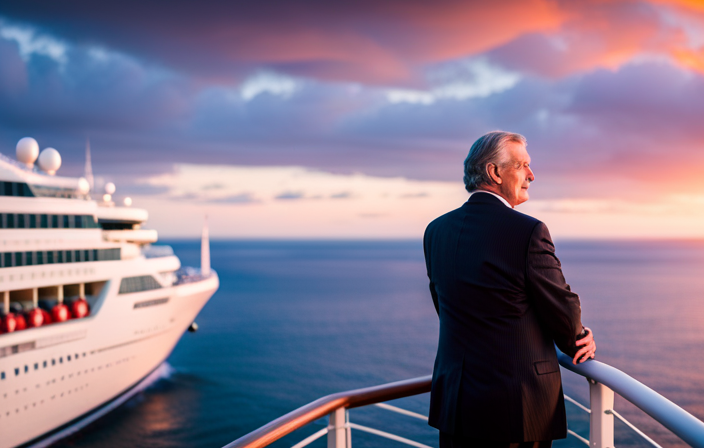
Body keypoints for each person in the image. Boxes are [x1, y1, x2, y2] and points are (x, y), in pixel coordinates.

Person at [423, 131, 596, 448]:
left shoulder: (436, 230)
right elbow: (562, 306)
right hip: (515, 408)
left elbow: (445, 306)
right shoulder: (528, 231)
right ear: (494, 172)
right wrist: (577, 339)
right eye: (522, 165)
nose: (532, 175)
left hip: (456, 405)